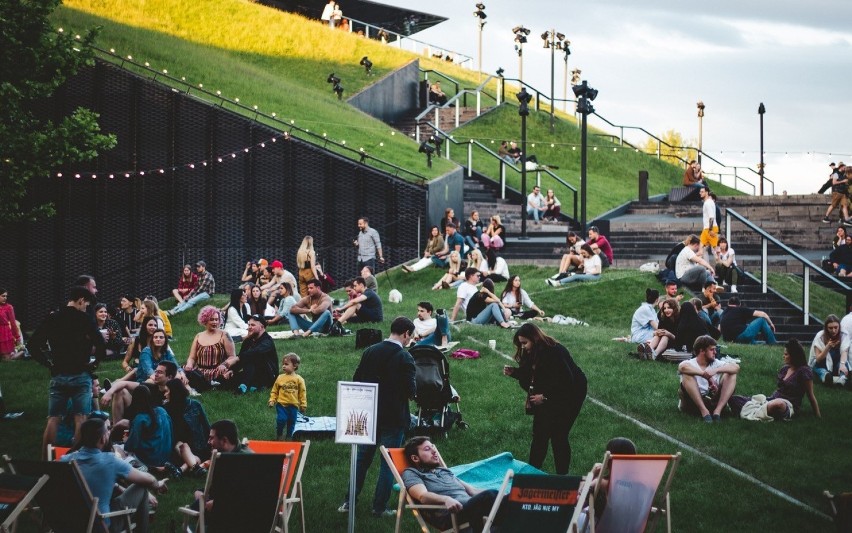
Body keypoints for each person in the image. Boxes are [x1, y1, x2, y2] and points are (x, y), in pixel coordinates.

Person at [339, 317, 416, 517]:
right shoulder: (405, 357)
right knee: (388, 464)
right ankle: (379, 507)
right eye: (410, 336)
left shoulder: (369, 351)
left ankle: (348, 503)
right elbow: (410, 390)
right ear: (406, 333)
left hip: (368, 413)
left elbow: (357, 380)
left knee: (362, 460)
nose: (409, 341)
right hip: (393, 416)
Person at [27, 285, 105, 456]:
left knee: (53, 419)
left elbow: (32, 345)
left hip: (59, 374)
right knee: (81, 419)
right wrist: (94, 364)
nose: (86, 309)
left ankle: (46, 461)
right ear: (81, 300)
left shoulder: (53, 318)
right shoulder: (85, 320)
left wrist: (48, 363)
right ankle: (74, 461)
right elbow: (101, 344)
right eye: (85, 305)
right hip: (80, 375)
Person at [503, 323, 587, 474]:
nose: (522, 347)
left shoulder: (554, 351)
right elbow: (531, 377)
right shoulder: (531, 352)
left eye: (524, 343)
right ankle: (533, 472)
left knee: (558, 435)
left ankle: (562, 475)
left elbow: (567, 381)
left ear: (534, 339)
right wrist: (515, 372)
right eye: (520, 344)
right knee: (540, 433)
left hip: (572, 393)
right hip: (550, 391)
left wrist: (546, 397)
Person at [62, 418, 168, 532]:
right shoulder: (110, 460)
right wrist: (157, 485)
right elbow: (149, 480)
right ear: (103, 438)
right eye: (107, 430)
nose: (109, 432)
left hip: (68, 523)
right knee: (141, 487)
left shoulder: (65, 460)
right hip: (99, 525)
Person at [401, 437, 505, 532]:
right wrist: (446, 499)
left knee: (511, 500)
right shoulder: (412, 473)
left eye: (433, 447)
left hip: (471, 507)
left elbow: (473, 491)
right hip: (452, 513)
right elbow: (423, 496)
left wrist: (502, 495)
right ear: (415, 458)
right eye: (427, 449)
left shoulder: (443, 471)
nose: (434, 451)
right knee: (490, 496)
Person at [734, 339, 821, 420]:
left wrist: (817, 415)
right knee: (735, 399)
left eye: (786, 354)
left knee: (778, 404)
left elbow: (810, 395)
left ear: (794, 356)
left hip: (788, 405)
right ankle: (759, 409)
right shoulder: (785, 369)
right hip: (772, 399)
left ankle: (758, 411)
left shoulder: (804, 371)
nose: (783, 356)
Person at [677, 335, 739, 422]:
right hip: (692, 403)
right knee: (686, 375)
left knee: (731, 374)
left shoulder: (716, 363)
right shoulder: (689, 363)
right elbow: (682, 368)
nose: (715, 352)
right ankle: (704, 412)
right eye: (711, 349)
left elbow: (736, 368)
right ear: (702, 350)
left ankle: (717, 412)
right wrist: (704, 374)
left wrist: (715, 370)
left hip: (712, 400)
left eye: (715, 349)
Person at [162, 378, 210, 479]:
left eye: (167, 391)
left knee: (189, 451)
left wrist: (210, 443)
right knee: (181, 445)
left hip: (198, 445)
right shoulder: (166, 409)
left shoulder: (194, 405)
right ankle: (196, 468)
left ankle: (180, 470)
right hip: (178, 446)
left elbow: (206, 426)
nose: (165, 394)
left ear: (174, 392)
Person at [184, 305, 237, 390]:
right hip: (200, 371)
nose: (215, 322)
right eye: (211, 320)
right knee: (182, 372)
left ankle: (208, 384)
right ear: (205, 320)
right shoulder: (198, 336)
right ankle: (207, 384)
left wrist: (224, 365)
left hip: (218, 371)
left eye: (216, 320)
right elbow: (192, 357)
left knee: (227, 377)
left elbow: (233, 357)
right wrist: (189, 365)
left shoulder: (224, 335)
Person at [226, 314, 279, 395]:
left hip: (268, 376)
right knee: (227, 381)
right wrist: (232, 370)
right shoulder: (248, 340)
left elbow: (256, 352)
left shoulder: (267, 341)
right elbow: (242, 357)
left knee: (252, 356)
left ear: (261, 327)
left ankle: (244, 386)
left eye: (253, 325)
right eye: (249, 324)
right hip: (252, 373)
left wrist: (237, 358)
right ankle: (251, 386)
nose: (249, 327)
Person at [124, 385, 172, 468]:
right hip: (166, 456)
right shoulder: (162, 410)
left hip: (149, 459)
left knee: (117, 448)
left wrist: (126, 441)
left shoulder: (140, 418)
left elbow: (132, 445)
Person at [268, 353, 307, 440]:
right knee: (281, 420)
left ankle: (289, 436)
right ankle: (279, 435)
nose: (284, 366)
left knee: (291, 422)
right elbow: (274, 390)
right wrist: (272, 400)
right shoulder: (280, 378)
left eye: (286, 364)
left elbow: (302, 393)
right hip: (282, 405)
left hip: (293, 406)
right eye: (283, 364)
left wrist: (303, 405)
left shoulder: (299, 379)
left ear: (295, 366)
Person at [808, 314, 850, 386]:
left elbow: (844, 351)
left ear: (839, 326)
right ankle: (826, 376)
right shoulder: (820, 336)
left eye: (836, 327)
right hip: (821, 363)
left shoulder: (844, 334)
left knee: (844, 363)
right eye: (830, 328)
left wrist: (842, 365)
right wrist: (827, 347)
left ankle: (842, 378)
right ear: (826, 328)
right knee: (819, 368)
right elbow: (818, 359)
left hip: (837, 362)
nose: (833, 331)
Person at [631, 288, 671, 359]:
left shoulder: (650, 309)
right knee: (662, 334)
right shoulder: (646, 309)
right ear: (657, 300)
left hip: (646, 332)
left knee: (663, 333)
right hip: (640, 335)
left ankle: (649, 350)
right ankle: (650, 349)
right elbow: (657, 327)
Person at [0, 289, 22, 360]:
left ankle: (24, 352)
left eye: (6, 296)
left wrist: (17, 337)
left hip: (4, 333)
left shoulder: (9, 307)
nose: (5, 298)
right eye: (3, 296)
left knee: (6, 359)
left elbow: (13, 323)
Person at [699, 187, 719, 259]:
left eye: (702, 192)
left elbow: (711, 217)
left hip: (710, 228)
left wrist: (710, 230)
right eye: (700, 192)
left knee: (716, 252)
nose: (700, 193)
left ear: (707, 192)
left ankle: (721, 267)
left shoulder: (708, 203)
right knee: (701, 249)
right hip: (707, 229)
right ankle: (706, 267)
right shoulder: (709, 202)